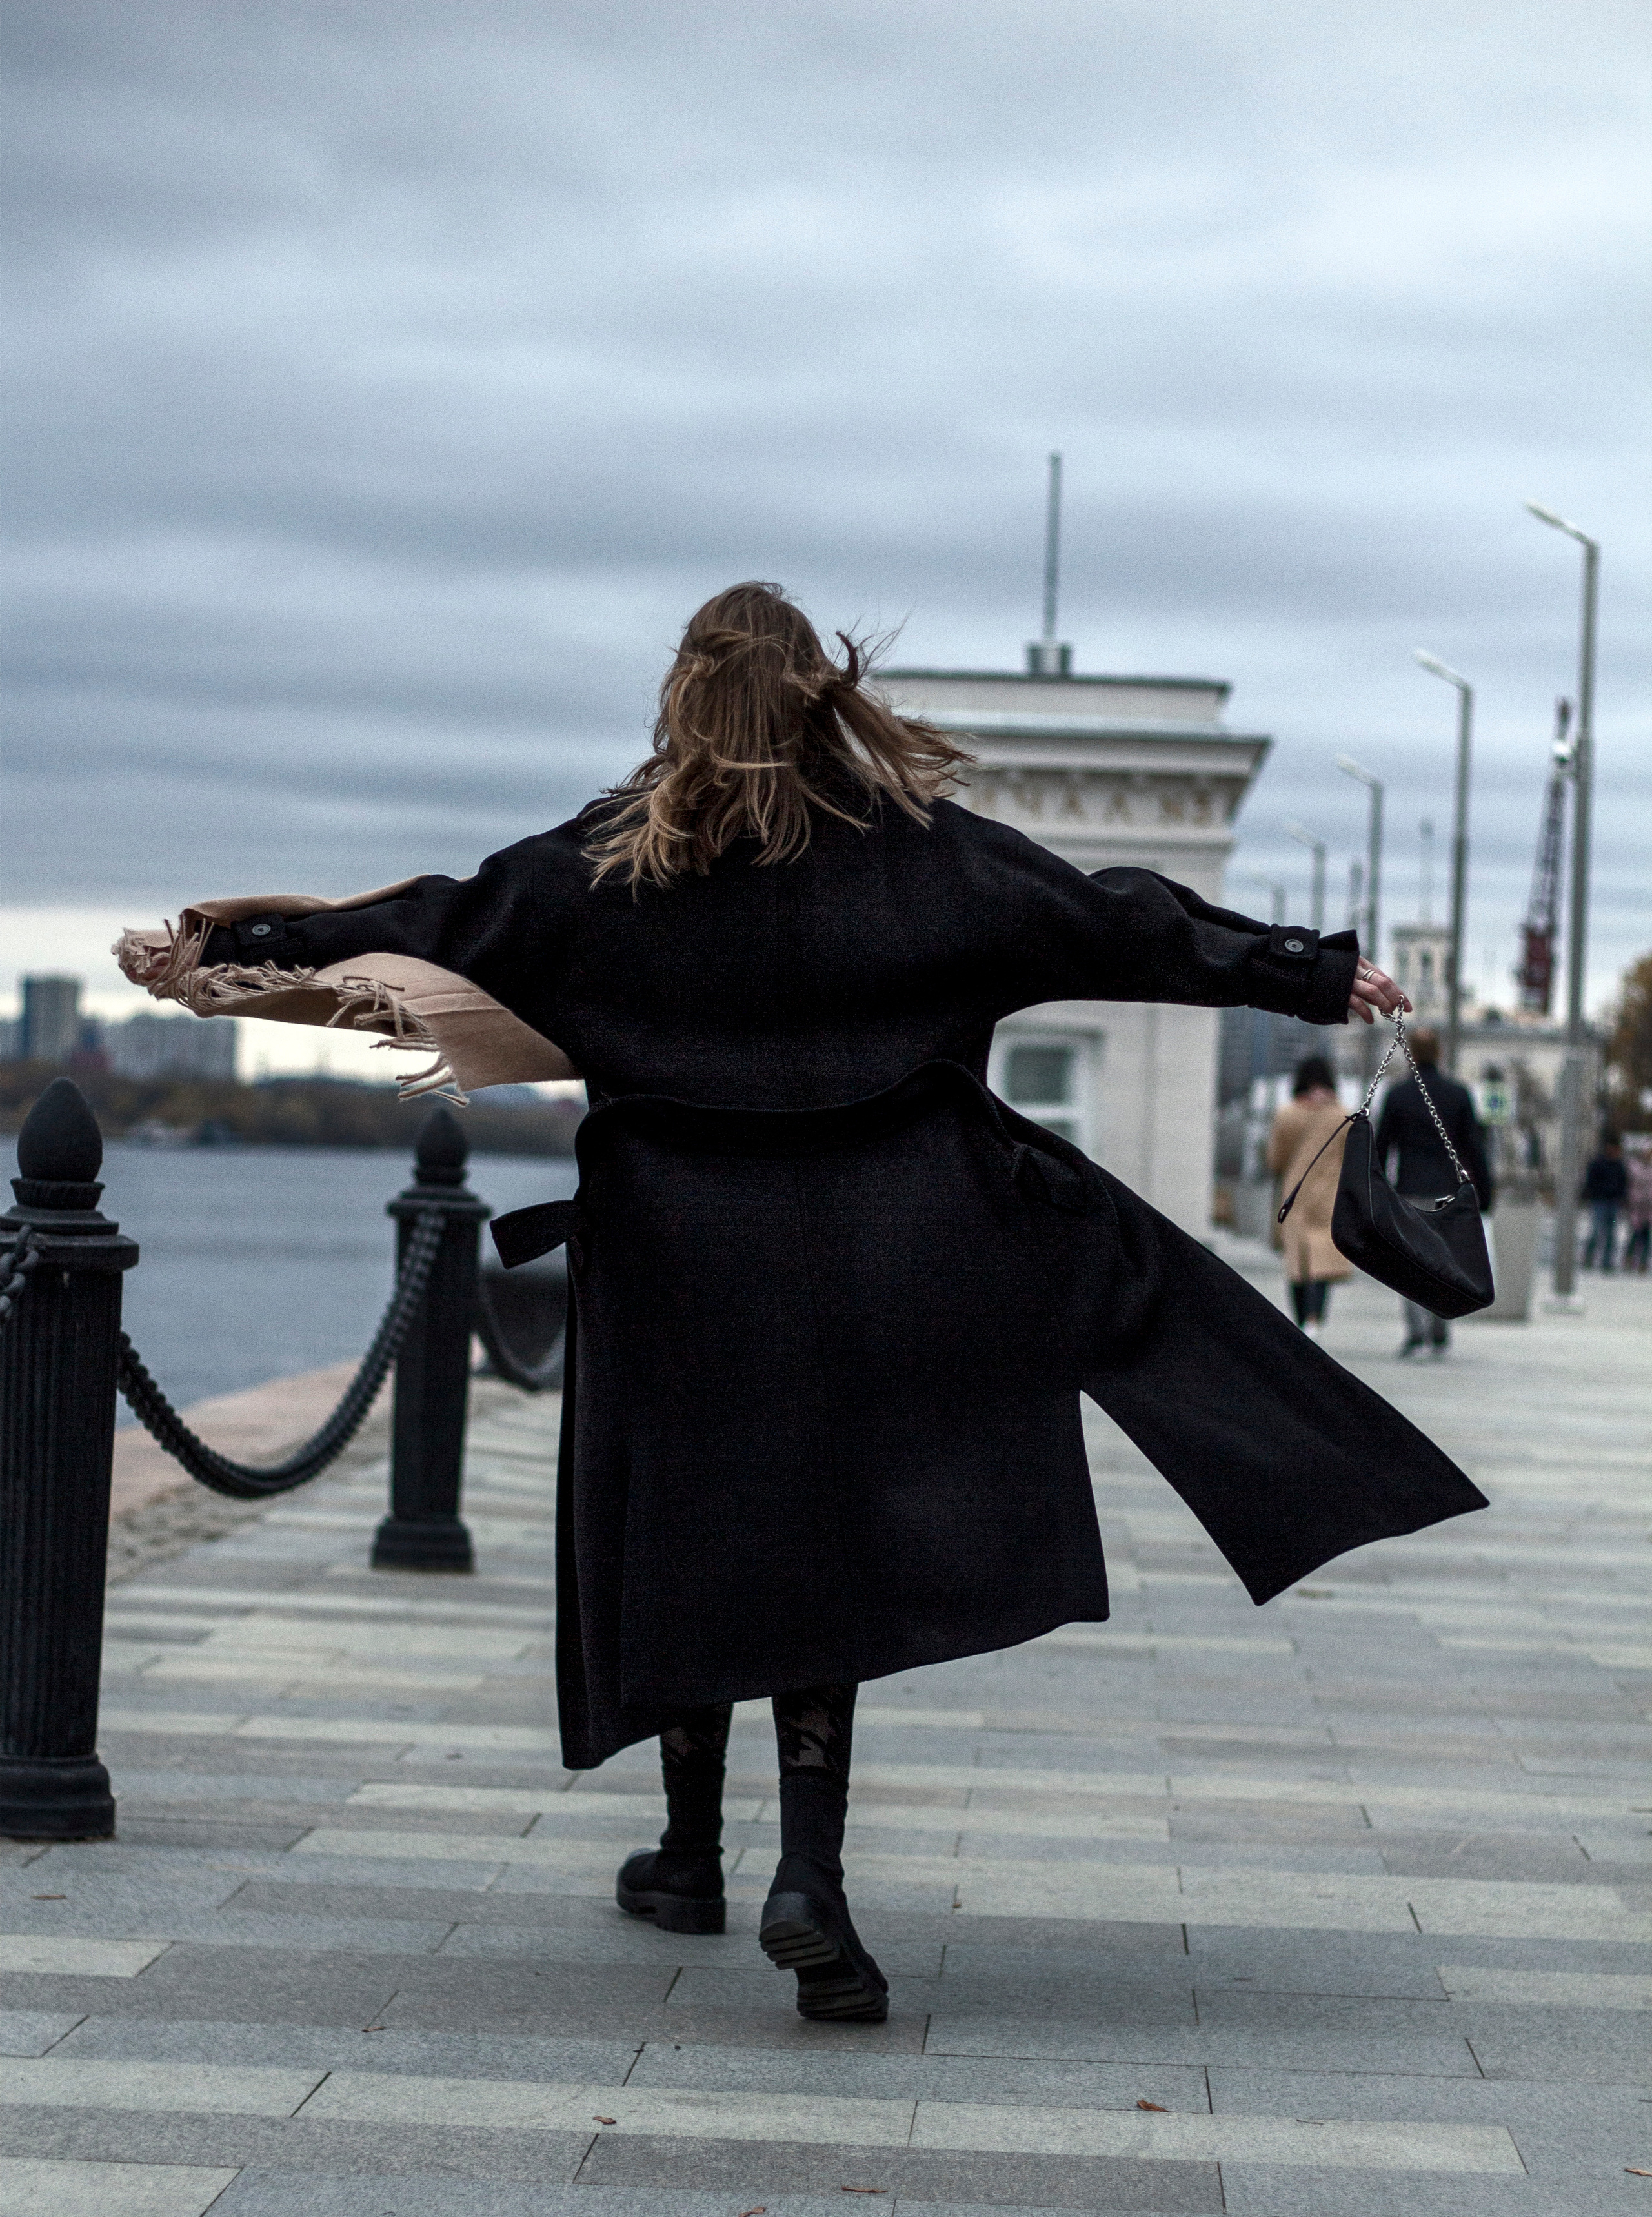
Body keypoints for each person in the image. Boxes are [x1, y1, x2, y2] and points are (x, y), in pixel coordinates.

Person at [116, 582, 1486, 2025]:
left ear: (683, 699)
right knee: (824, 1545)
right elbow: (1113, 923)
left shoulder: (597, 868)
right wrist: (1307, 968)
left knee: (695, 1528)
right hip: (887, 1257)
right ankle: (806, 1877)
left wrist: (226, 944)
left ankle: (691, 1854)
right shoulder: (924, 858)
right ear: (823, 694)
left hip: (673, 1260)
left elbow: (425, 921)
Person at [1373, 1024, 1493, 1358]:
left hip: (1409, 1188)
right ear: (1439, 1052)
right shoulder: (1458, 1094)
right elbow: (1473, 1148)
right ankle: (1440, 1329)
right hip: (1448, 1191)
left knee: (1411, 1262)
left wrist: (1379, 1189)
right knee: (1444, 1260)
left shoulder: (1398, 1095)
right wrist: (1484, 1191)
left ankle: (1416, 1333)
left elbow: (1382, 1147)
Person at [1267, 1056, 1352, 1331]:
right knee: (1322, 1256)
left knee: (1297, 1258)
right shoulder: (1343, 1115)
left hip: (1295, 1194)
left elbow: (1275, 1160)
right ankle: (1315, 1318)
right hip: (1329, 1192)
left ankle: (1302, 1318)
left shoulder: (1287, 1114)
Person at [1581, 1133, 1629, 1272]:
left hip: (1613, 1203)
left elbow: (1623, 1183)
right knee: (1596, 1231)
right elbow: (1591, 1182)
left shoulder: (1619, 1165)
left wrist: (1621, 1197)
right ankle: (1589, 1258)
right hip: (1599, 1202)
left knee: (1611, 1233)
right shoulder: (1598, 1162)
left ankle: (1607, 1262)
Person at [1623, 1145, 1652, 1275]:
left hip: (1649, 1206)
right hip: (1636, 1205)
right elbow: (1632, 1182)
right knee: (1636, 1233)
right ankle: (1629, 1258)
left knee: (1646, 1235)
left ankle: (1643, 1263)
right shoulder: (1634, 1166)